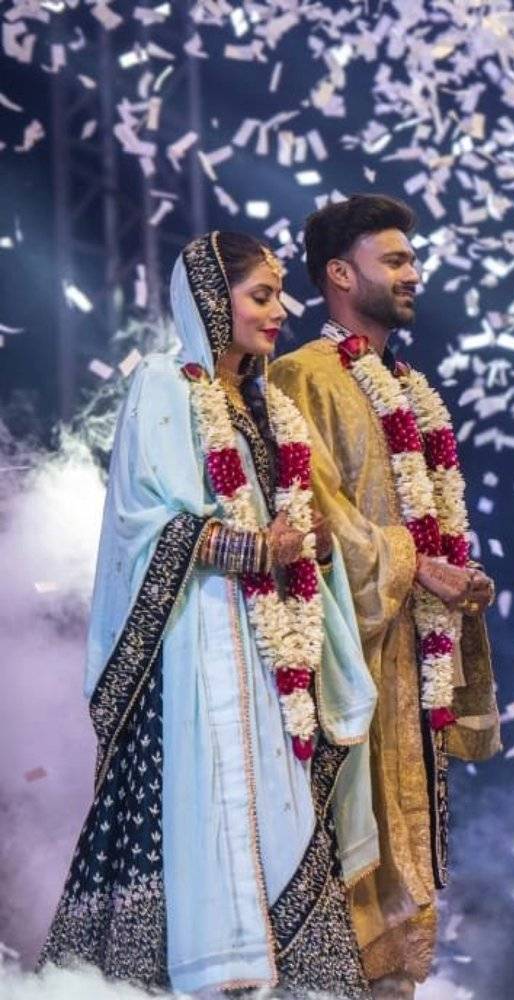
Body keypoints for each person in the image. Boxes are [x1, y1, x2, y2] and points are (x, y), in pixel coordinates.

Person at [40, 231, 379, 998]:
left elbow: (287, 526)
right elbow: (143, 524)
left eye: (279, 294)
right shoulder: (165, 384)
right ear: (209, 302)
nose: (280, 310)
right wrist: (255, 547)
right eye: (261, 295)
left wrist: (312, 547)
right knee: (207, 825)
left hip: (271, 655)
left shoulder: (268, 405)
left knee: (287, 826)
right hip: (197, 649)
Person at [269, 194, 500, 999]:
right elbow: (314, 513)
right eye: (395, 259)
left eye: (412, 259)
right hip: (347, 669)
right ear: (341, 274)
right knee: (345, 883)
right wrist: (414, 563)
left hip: (411, 665)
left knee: (405, 912)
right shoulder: (301, 377)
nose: (413, 273)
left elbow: (427, 517)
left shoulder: (408, 385)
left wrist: (456, 574)